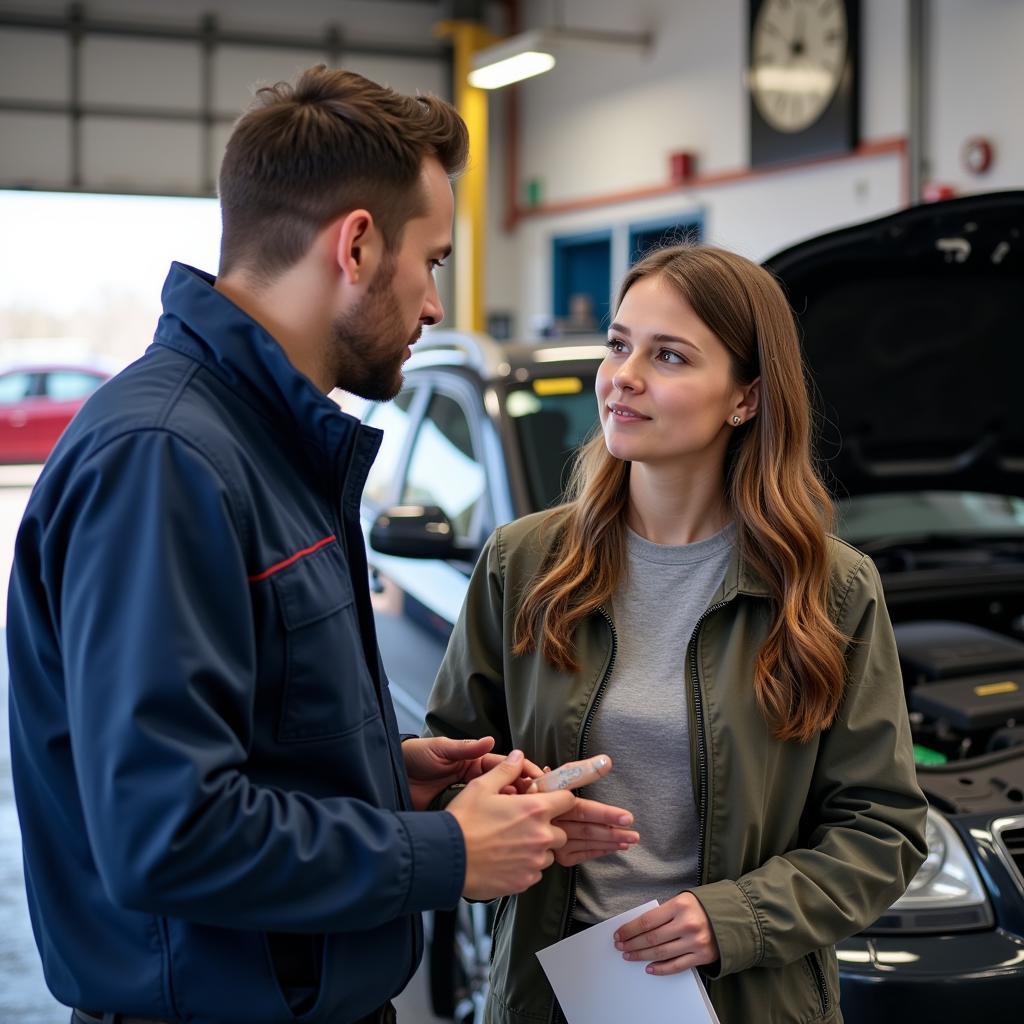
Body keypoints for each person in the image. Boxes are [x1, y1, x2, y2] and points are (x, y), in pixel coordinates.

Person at [5, 66, 622, 1024]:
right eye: (436, 263)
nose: (431, 307)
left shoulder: (264, 442)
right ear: (359, 245)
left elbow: (247, 734)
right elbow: (168, 832)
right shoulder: (167, 461)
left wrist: (385, 773)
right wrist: (448, 855)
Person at [425, 244, 930, 1024]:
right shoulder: (522, 563)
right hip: (552, 998)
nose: (623, 375)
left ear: (745, 399)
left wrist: (733, 919)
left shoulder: (829, 588)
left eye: (668, 355)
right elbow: (454, 770)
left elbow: (882, 830)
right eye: (619, 344)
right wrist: (514, 809)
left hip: (749, 1001)